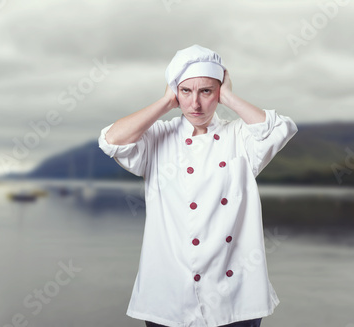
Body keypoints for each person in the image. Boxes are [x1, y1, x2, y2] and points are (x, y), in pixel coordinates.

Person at [98, 44, 298, 327]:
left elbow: (280, 129)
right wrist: (165, 102)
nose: (195, 104)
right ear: (175, 92)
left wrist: (229, 96)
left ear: (218, 92)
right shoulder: (158, 137)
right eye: (185, 92)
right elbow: (111, 141)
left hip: (234, 297)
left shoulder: (239, 137)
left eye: (206, 91)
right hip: (169, 297)